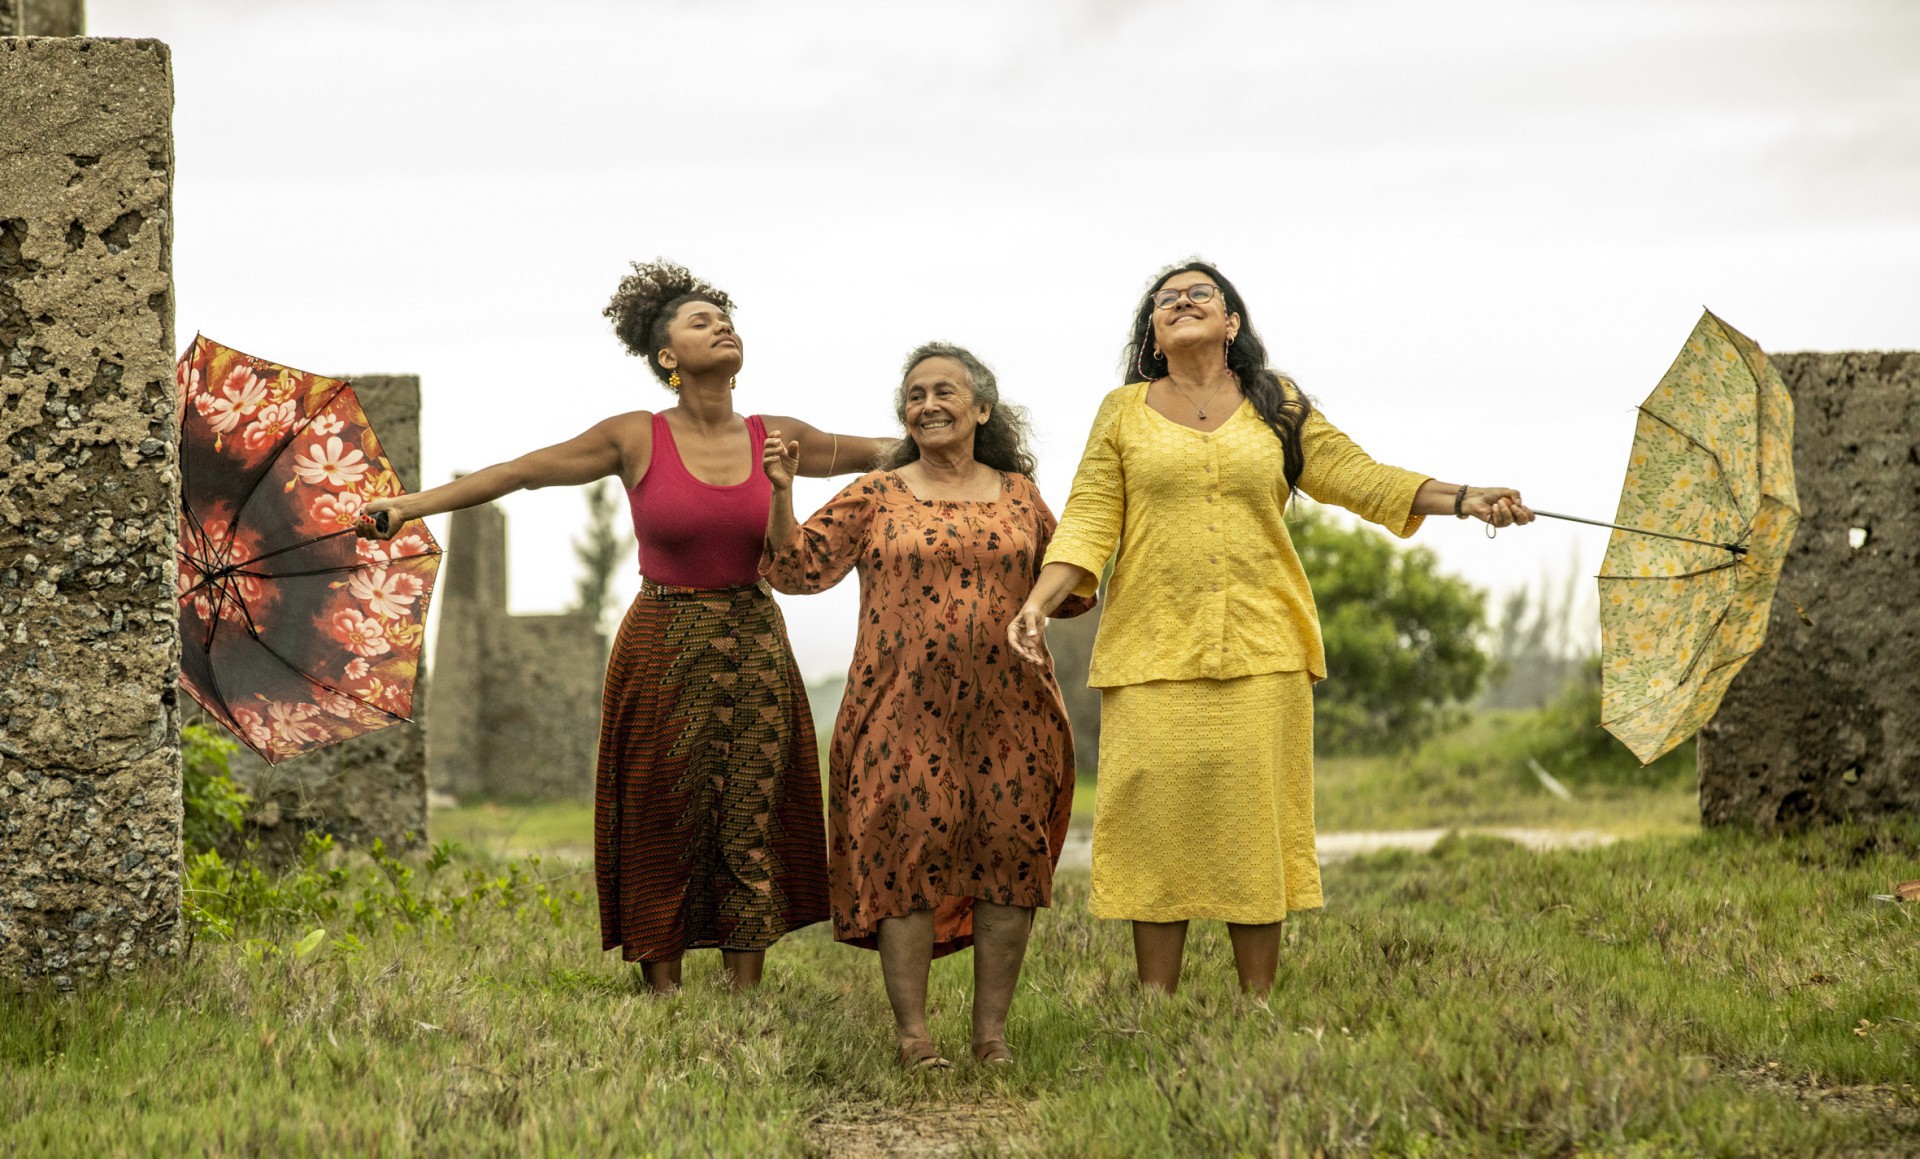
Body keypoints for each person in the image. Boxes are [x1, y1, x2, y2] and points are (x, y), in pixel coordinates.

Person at [360, 260, 892, 993]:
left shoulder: (779, 436)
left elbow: (891, 456)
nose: (722, 326)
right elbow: (523, 471)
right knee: (659, 812)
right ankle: (663, 989)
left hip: (754, 641)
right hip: (662, 639)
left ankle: (745, 994)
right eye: (701, 321)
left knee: (751, 807)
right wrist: (410, 506)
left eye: (726, 319)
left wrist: (957, 435)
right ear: (667, 355)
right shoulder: (635, 436)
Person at [1007, 261, 1534, 996]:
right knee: (1157, 828)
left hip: (1264, 644)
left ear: (1231, 322)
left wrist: (1465, 497)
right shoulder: (1122, 411)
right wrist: (1038, 603)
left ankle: (1257, 1007)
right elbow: (1091, 515)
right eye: (1166, 299)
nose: (1183, 301)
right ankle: (1156, 1009)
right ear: (1153, 332)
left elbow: (1359, 475)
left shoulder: (1276, 403)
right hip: (1149, 649)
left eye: (1200, 293)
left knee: (1251, 827)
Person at [760, 343, 1094, 1067]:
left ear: (983, 409)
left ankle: (991, 1037)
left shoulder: (1019, 494)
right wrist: (781, 492)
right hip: (899, 712)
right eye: (915, 394)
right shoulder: (877, 492)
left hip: (1014, 710)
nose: (928, 404)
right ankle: (914, 1038)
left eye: (945, 391)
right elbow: (795, 567)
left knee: (1010, 858)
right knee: (903, 858)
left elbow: (1073, 583)